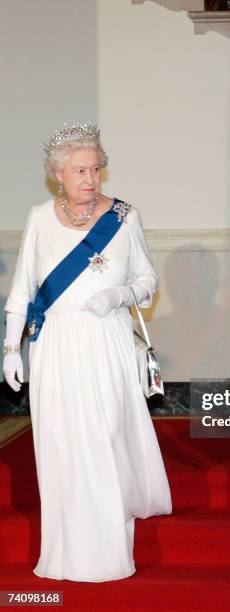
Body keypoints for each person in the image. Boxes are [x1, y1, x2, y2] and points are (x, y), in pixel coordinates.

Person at [2, 122, 172, 582]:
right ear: (58, 174)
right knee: (63, 446)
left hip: (108, 341)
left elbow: (147, 281)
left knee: (104, 441)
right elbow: (22, 290)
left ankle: (110, 548)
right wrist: (10, 348)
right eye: (80, 170)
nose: (91, 179)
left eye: (96, 169)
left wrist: (118, 297)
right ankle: (67, 551)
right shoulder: (40, 218)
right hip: (56, 345)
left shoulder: (124, 217)